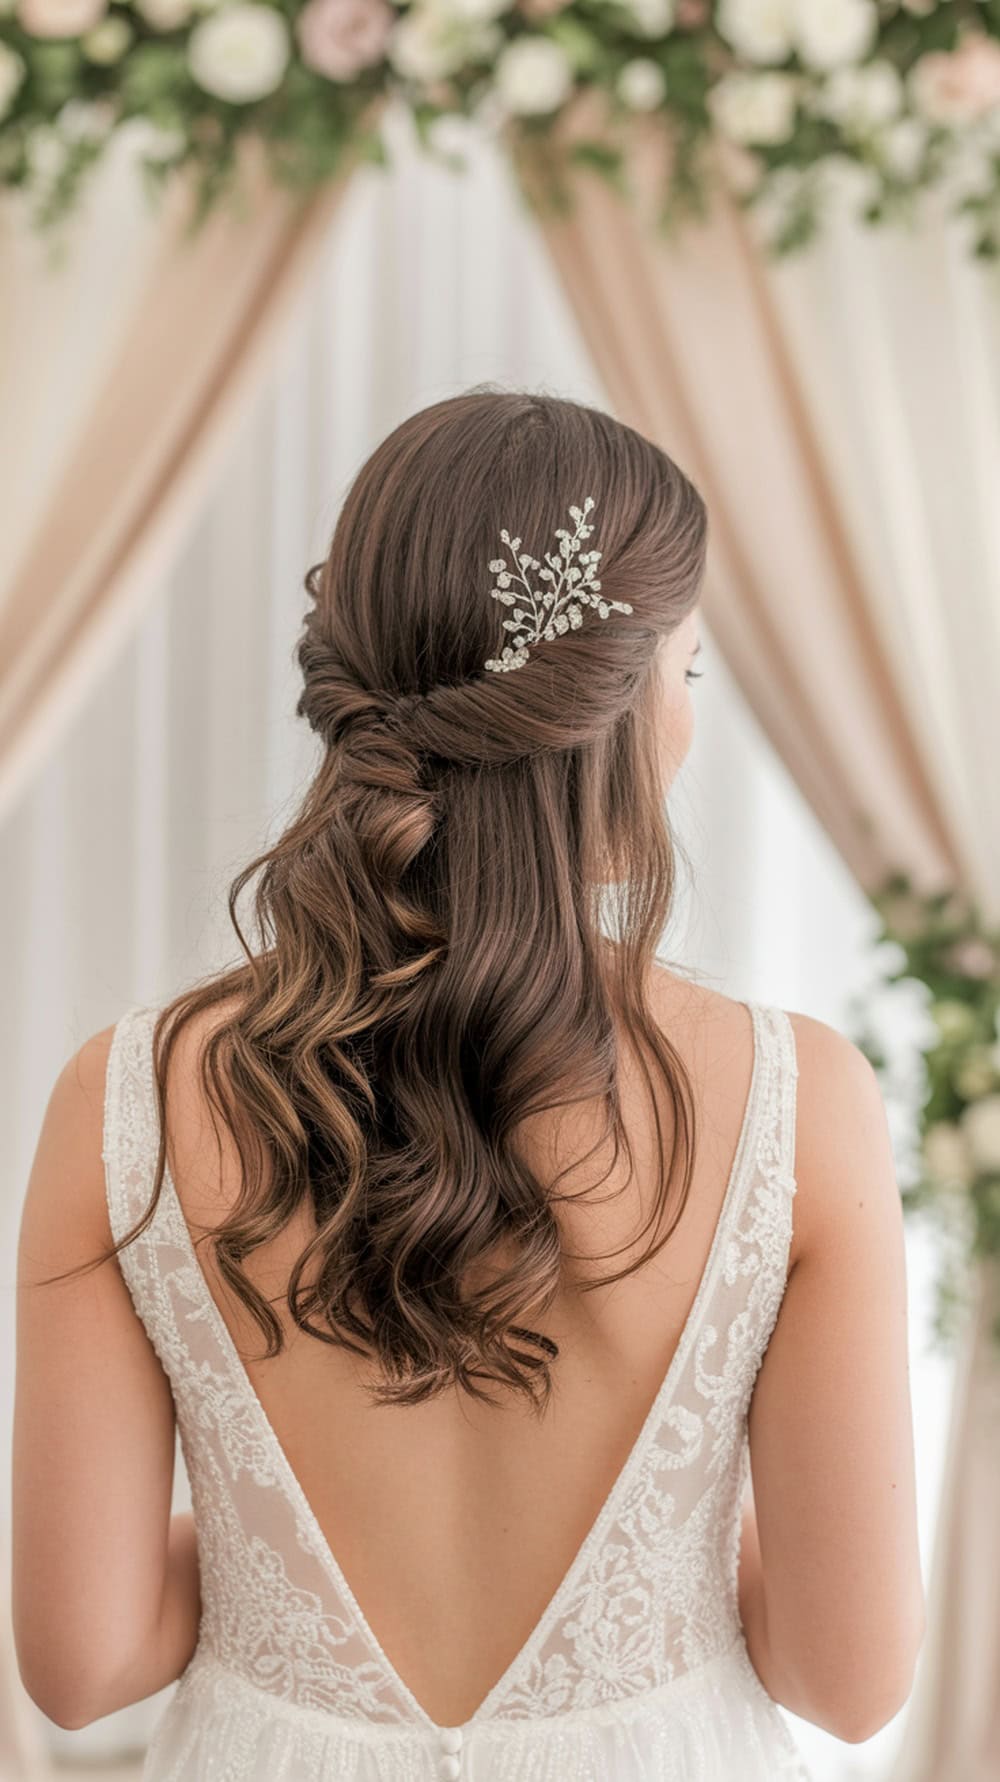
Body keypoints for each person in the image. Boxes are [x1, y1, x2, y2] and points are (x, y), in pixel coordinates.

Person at [13, 389, 925, 1780]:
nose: (688, 724)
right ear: (610, 708)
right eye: (688, 674)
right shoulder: (800, 1098)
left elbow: (83, 1665)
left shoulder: (126, 1095)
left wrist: (277, 1574)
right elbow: (846, 1680)